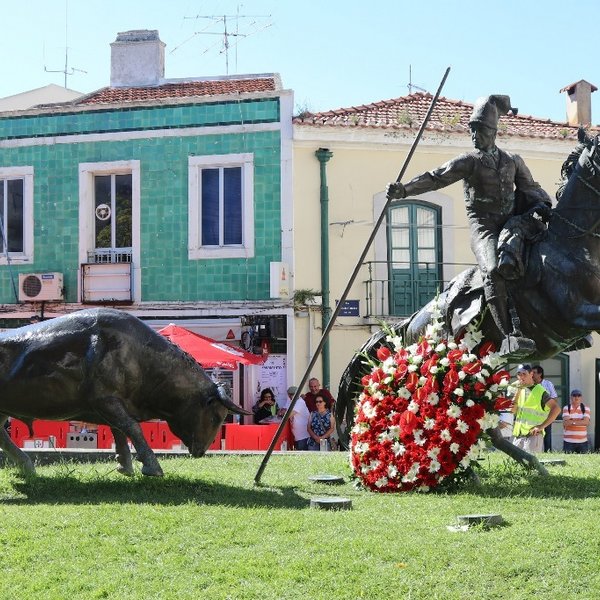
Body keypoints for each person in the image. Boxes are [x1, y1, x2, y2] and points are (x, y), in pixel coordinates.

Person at [387, 95, 552, 356]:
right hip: (484, 228)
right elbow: (435, 178)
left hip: (511, 225)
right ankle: (510, 337)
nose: (475, 136)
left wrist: (545, 205)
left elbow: (531, 189)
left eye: (480, 131)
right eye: (472, 131)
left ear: (493, 132)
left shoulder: (513, 161)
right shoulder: (469, 161)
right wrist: (404, 190)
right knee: (493, 269)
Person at [511, 364, 560, 453]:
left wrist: (541, 427)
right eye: (519, 374)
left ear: (531, 374)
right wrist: (517, 391)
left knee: (531, 465)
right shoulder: (520, 389)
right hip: (518, 435)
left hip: (533, 436)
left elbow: (556, 409)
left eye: (524, 374)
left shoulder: (539, 390)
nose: (521, 377)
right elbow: (512, 411)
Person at [532, 365, 558, 452]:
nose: (532, 374)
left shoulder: (548, 384)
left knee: (547, 434)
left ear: (540, 374)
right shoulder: (530, 384)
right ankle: (534, 451)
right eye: (531, 372)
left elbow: (554, 398)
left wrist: (545, 405)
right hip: (533, 415)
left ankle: (548, 452)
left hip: (546, 414)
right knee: (534, 433)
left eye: (534, 372)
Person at [562, 389, 591, 453]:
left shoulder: (586, 408)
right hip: (568, 442)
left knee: (583, 462)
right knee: (568, 461)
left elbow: (586, 422)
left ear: (581, 397)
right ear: (571, 397)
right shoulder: (566, 408)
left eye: (579, 395)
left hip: (583, 442)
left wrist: (572, 421)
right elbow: (566, 423)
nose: (576, 397)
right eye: (574, 395)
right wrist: (581, 421)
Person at [284, 386, 310, 450]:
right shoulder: (290, 400)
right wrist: (284, 411)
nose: (291, 396)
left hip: (303, 436)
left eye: (293, 394)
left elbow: (288, 415)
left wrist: (285, 412)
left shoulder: (300, 402)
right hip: (296, 435)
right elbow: (281, 410)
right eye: (290, 394)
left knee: (302, 456)